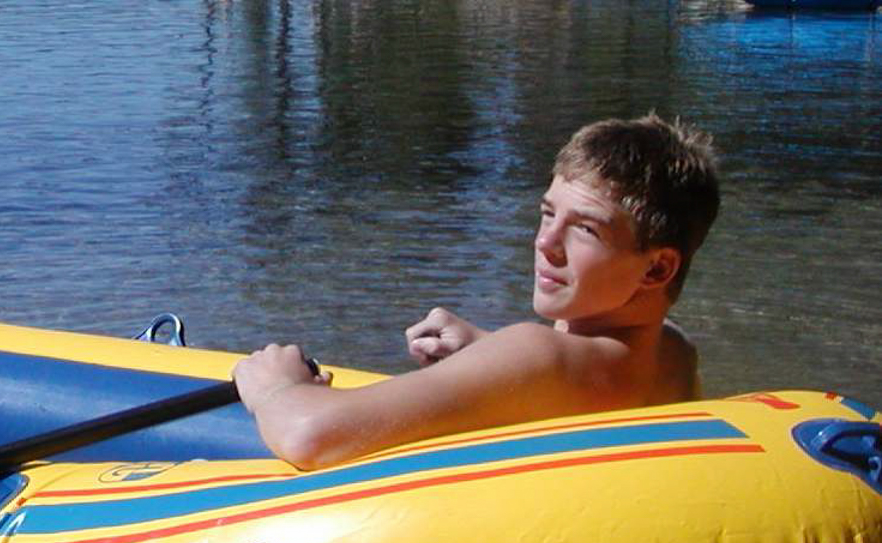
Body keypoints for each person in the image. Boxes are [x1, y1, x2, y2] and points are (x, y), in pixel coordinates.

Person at [234, 113, 720, 470]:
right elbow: (578, 380)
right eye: (549, 214)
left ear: (657, 269)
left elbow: (311, 436)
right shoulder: (674, 354)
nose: (545, 243)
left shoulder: (538, 355)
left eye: (586, 230)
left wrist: (277, 386)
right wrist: (487, 350)